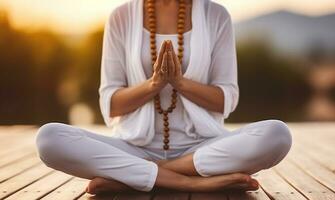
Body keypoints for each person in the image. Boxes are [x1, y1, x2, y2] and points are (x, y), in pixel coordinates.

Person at [35, 0, 292, 194]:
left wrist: (180, 83)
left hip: (201, 146)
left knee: (277, 135)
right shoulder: (121, 16)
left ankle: (132, 178)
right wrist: (154, 84)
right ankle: (189, 182)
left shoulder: (216, 15)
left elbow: (227, 99)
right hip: (133, 147)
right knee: (49, 139)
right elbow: (111, 103)